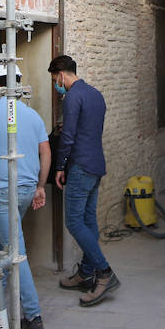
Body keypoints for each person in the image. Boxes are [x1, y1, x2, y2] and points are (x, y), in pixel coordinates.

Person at [0, 62, 49, 329]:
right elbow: (46, 153)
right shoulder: (33, 115)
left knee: (15, 252)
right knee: (4, 243)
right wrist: (40, 186)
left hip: (2, 192)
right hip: (26, 189)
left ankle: (33, 315)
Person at [49, 54, 119, 307]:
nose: (56, 85)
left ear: (60, 75)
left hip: (79, 166)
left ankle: (104, 272)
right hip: (96, 163)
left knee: (74, 221)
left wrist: (60, 166)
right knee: (89, 219)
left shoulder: (72, 97)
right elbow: (92, 130)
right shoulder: (95, 94)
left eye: (55, 79)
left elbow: (68, 136)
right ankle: (85, 272)